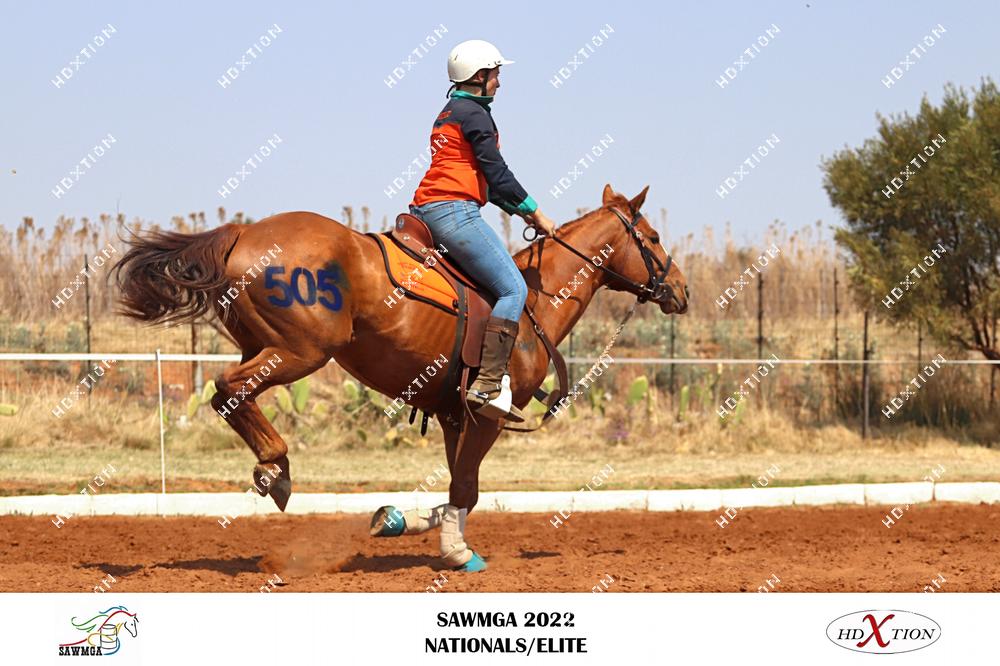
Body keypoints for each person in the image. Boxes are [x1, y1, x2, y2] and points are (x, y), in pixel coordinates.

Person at [409, 39, 556, 422]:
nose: (499, 82)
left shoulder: (448, 113)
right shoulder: (476, 114)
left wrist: (519, 212)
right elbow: (497, 173)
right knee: (513, 290)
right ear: (479, 76)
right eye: (495, 74)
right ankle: (489, 384)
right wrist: (536, 212)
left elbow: (486, 181)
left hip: (425, 210)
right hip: (453, 212)